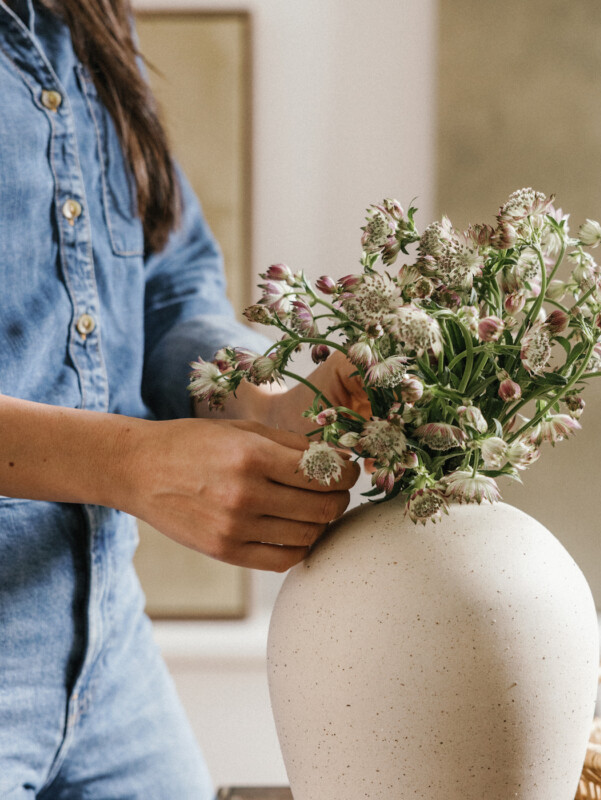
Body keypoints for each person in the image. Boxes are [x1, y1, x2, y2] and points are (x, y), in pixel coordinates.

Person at [0, 1, 368, 797]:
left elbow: (166, 282)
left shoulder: (88, 17)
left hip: (109, 655)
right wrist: (127, 465)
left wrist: (262, 397)